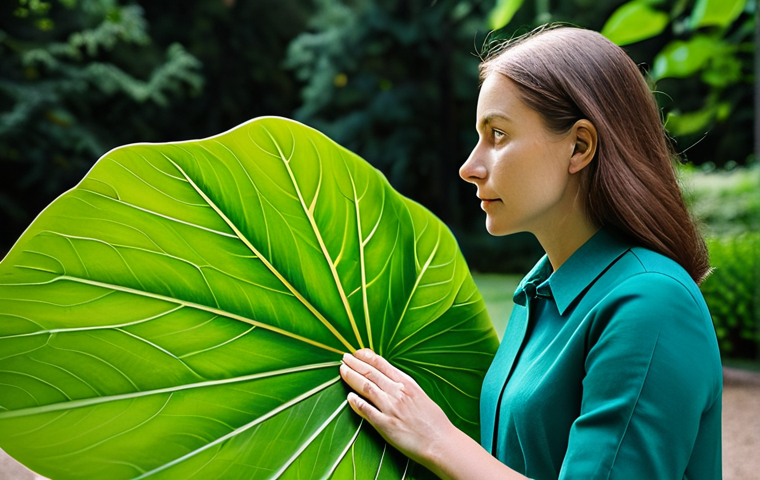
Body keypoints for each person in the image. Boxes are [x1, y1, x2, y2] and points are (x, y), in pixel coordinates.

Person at [338, 25, 723, 480]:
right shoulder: (538, 293)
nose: (469, 167)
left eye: (497, 135)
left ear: (579, 146)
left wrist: (436, 439)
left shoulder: (652, 303)